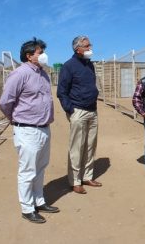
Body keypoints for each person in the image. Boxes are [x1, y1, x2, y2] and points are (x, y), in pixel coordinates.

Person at [0, 37, 59, 224]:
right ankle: (27, 208)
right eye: (40, 52)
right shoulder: (19, 74)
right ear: (29, 55)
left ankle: (39, 201)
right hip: (27, 130)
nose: (43, 55)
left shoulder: (43, 74)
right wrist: (14, 119)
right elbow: (5, 102)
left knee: (40, 168)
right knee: (27, 171)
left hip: (44, 128)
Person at [57, 35, 101, 194]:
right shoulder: (68, 66)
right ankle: (75, 181)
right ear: (78, 49)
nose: (90, 48)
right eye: (87, 46)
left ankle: (87, 176)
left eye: (90, 45)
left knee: (90, 145)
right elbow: (61, 92)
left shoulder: (90, 65)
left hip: (92, 111)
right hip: (78, 111)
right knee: (77, 147)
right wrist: (71, 110)